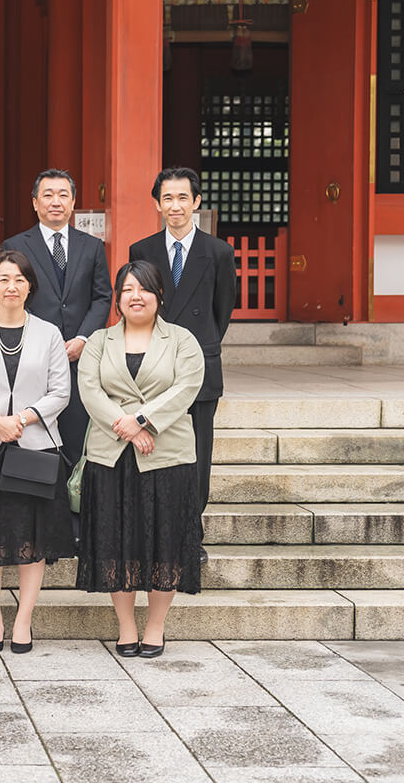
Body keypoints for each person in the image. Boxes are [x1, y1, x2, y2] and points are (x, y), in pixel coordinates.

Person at [76, 260, 205, 659]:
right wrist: (125, 425)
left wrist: (144, 421)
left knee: (164, 541)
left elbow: (187, 386)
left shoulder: (182, 340)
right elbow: (89, 387)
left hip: (167, 456)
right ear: (117, 298)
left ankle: (156, 626)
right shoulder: (99, 341)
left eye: (144, 288)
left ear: (159, 296)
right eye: (127, 289)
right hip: (111, 456)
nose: (136, 296)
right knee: (117, 541)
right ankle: (126, 626)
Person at [0, 251, 74, 654]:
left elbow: (61, 391)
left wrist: (22, 418)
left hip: (34, 445)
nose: (11, 286)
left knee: (30, 537)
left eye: (20, 279)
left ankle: (24, 620)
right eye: (4, 279)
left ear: (30, 286)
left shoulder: (49, 332)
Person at [129, 167, 236, 563]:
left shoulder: (219, 252)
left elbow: (221, 311)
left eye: (182, 198)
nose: (175, 206)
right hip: (153, 367)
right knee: (152, 451)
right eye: (167, 199)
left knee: (197, 455)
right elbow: (137, 307)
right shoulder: (142, 251)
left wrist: (197, 350)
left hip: (200, 368)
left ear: (196, 202)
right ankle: (152, 532)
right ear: (157, 204)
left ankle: (190, 534)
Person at [3, 170, 111, 461]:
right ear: (35, 203)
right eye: (48, 195)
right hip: (33, 357)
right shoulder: (15, 246)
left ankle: (76, 504)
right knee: (36, 442)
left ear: (73, 202)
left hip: (80, 359)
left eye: (63, 195)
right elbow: (11, 300)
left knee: (77, 439)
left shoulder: (92, 246)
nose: (56, 201)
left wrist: (83, 338)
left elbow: (102, 297)